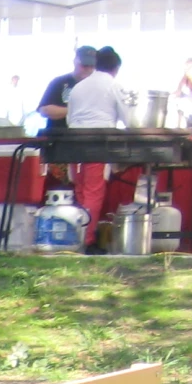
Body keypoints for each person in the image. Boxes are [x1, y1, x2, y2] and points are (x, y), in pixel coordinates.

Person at [66, 47, 125, 246]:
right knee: (93, 192)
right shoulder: (113, 85)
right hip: (98, 144)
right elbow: (129, 119)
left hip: (73, 145)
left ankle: (76, 239)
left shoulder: (79, 86)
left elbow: (69, 117)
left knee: (81, 191)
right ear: (116, 68)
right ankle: (86, 241)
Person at [37, 45, 97, 142]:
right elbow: (44, 110)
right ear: (75, 62)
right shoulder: (59, 82)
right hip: (59, 142)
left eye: (92, 66)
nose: (88, 69)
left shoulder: (99, 86)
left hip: (89, 142)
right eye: (85, 65)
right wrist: (77, 110)